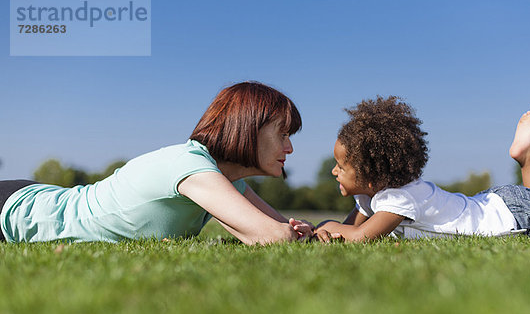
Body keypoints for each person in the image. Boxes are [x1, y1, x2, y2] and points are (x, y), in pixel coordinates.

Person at [0, 82, 312, 244]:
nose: (290, 147)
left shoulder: (227, 180)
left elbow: (272, 230)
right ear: (248, 130)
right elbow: (272, 235)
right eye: (282, 134)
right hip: (16, 211)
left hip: (36, 195)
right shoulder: (190, 166)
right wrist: (295, 232)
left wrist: (307, 231)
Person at [315, 97, 530, 242]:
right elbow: (350, 227)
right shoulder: (372, 195)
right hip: (500, 203)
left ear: (372, 176)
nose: (334, 172)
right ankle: (528, 158)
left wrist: (323, 228)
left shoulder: (398, 198)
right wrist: (315, 232)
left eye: (341, 166)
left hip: (513, 216)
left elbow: (359, 238)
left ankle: (528, 159)